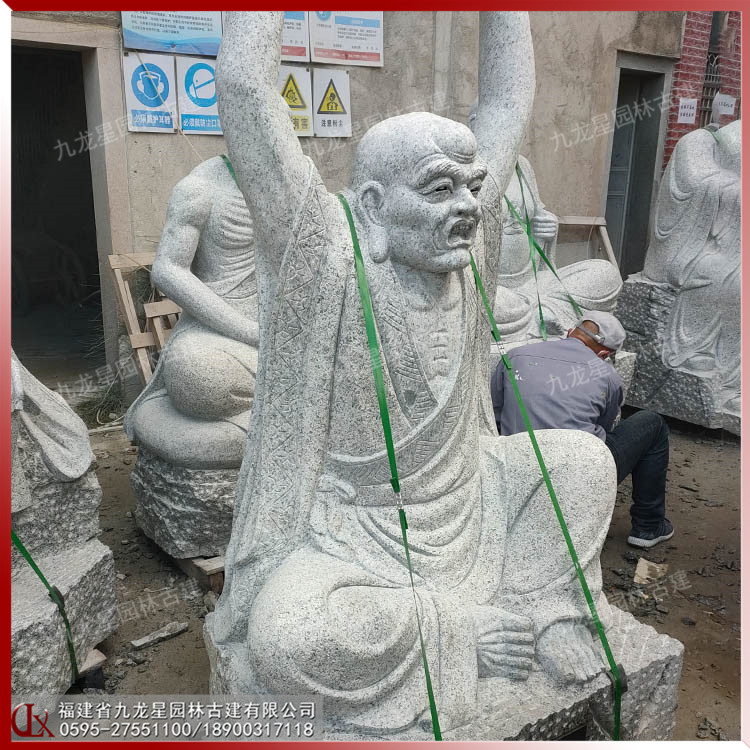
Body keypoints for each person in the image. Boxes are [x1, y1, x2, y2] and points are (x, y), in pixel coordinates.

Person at [207, 11, 619, 734]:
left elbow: (506, 101)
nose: (466, 208)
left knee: (585, 464)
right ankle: (457, 631)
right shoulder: (328, 253)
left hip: (473, 500)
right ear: (372, 207)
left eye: (472, 188)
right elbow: (244, 87)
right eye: (439, 189)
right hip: (354, 536)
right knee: (286, 636)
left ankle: (547, 611)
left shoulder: (468, 249)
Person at [491, 311, 673, 549]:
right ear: (604, 354)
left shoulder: (515, 356)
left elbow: (495, 415)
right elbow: (604, 429)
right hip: (578, 476)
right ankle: (648, 526)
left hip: (514, 466)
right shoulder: (607, 375)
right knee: (652, 423)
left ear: (570, 332)